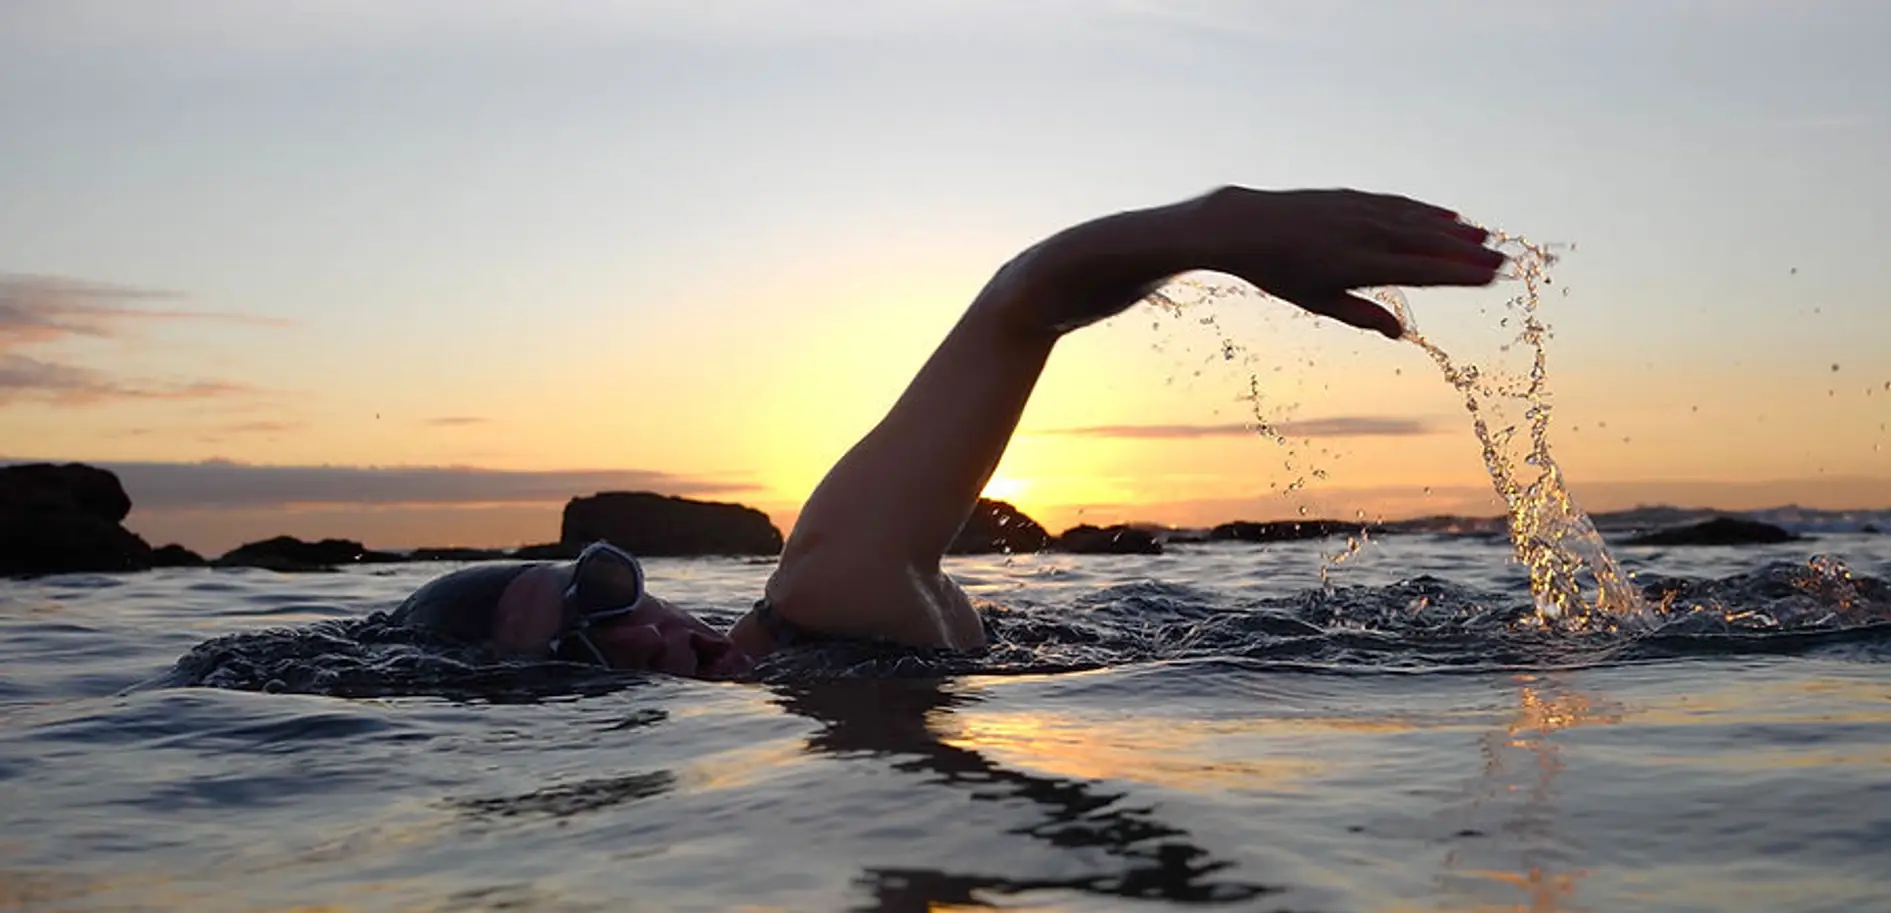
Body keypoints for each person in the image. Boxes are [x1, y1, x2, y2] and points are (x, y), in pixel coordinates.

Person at [390, 186, 1506, 679]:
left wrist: (1218, 227)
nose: (637, 633)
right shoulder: (818, 667)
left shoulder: (831, 587)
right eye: (583, 645)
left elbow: (1022, 302)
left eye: (610, 582)